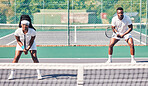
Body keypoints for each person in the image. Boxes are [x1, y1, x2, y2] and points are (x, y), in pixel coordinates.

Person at [8, 15, 42, 80]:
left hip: (31, 44)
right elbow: (18, 40)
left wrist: (27, 49)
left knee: (34, 57)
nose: (24, 26)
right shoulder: (17, 31)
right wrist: (23, 48)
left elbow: (32, 41)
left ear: (28, 25)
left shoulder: (33, 31)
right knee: (16, 57)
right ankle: (12, 74)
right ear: (21, 25)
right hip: (21, 44)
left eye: (26, 25)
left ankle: (39, 74)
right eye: (23, 25)